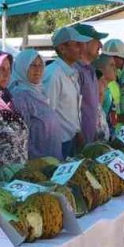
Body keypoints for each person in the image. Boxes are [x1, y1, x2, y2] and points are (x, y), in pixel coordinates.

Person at [44, 26, 91, 157]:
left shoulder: (72, 72)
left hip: (70, 140)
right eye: (77, 44)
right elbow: (48, 113)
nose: (82, 48)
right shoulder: (53, 74)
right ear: (62, 48)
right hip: (58, 143)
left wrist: (77, 130)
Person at [9, 49, 63, 160]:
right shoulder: (20, 96)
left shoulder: (39, 91)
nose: (37, 70)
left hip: (51, 159)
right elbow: (22, 135)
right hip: (37, 163)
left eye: (40, 65)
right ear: (22, 67)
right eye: (32, 65)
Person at [0, 51, 29, 169]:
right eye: (1, 69)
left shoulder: (7, 97)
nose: (7, 74)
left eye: (9, 69)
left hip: (17, 174)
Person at [73, 23, 107, 144]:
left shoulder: (91, 70)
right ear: (83, 43)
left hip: (91, 141)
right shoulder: (74, 71)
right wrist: (78, 133)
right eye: (97, 40)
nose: (101, 45)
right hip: (77, 145)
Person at [93, 53, 118, 139]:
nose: (115, 68)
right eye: (111, 65)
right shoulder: (99, 89)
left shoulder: (107, 88)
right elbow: (97, 116)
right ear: (101, 69)